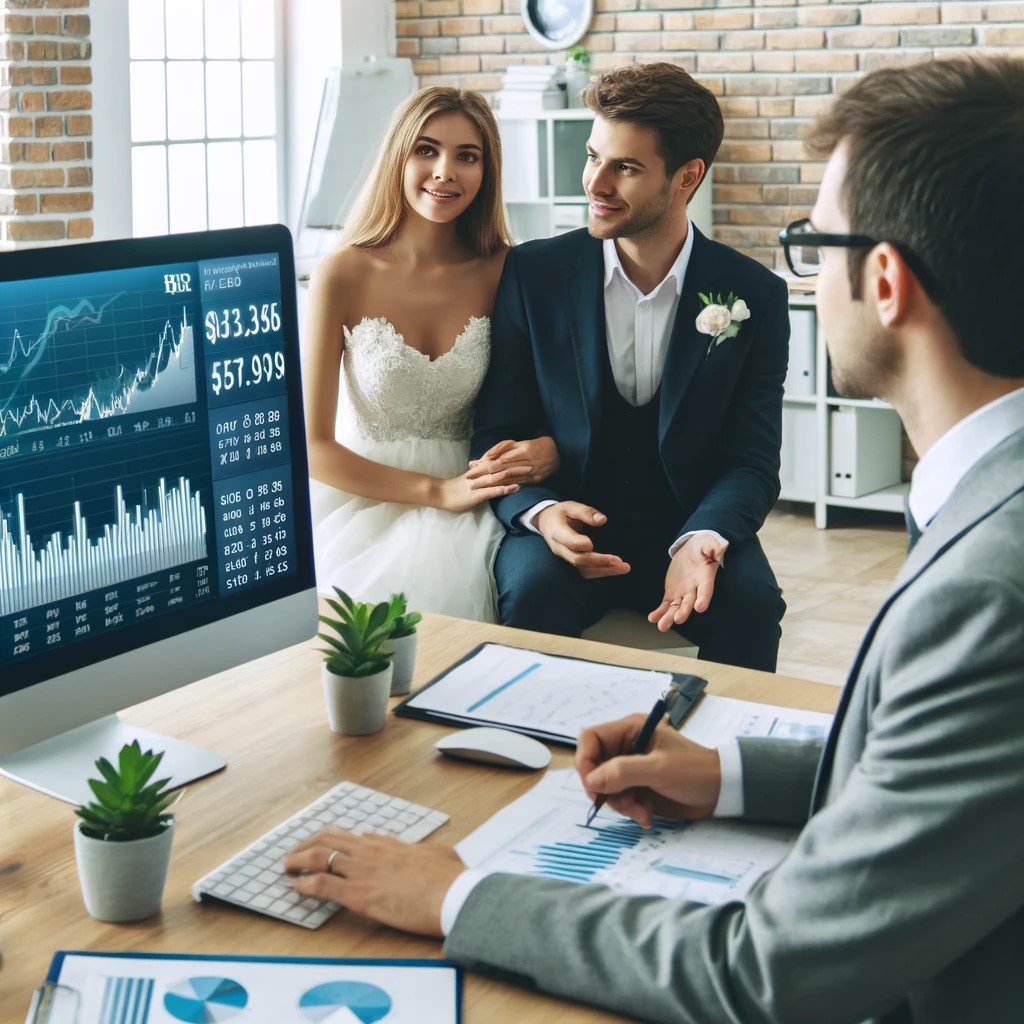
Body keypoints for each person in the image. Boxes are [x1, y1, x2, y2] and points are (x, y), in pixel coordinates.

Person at [284, 56, 1024, 1022]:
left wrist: (457, 895)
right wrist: (725, 772)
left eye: (817, 240)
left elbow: (763, 972)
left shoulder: (987, 586)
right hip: (557, 520)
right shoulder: (975, 504)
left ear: (882, 280)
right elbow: (938, 777)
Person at [469, 61, 789, 671]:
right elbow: (495, 434)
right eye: (594, 157)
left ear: (687, 177)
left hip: (689, 522)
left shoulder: (755, 296)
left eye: (626, 167)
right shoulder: (533, 275)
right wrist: (540, 511)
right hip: (567, 528)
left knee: (753, 604)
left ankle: (719, 760)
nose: (596, 183)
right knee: (531, 591)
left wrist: (704, 539)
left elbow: (751, 459)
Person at [304, 86, 555, 621]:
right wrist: (435, 491)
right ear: (398, 155)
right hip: (364, 497)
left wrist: (547, 447)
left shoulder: (508, 271)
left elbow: (550, 396)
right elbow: (312, 445)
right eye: (426, 149)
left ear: (487, 172)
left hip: (478, 492)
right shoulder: (342, 273)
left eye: (467, 156)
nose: (445, 171)